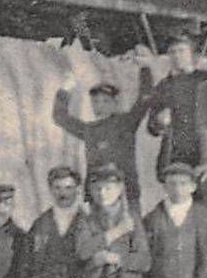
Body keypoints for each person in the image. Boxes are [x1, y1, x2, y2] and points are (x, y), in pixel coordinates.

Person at [53, 70, 156, 207]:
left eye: (105, 101)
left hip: (125, 197)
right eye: (95, 101)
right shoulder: (89, 130)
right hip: (96, 199)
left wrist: (145, 69)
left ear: (115, 102)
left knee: (133, 227)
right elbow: (60, 117)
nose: (100, 106)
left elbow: (145, 98)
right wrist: (65, 89)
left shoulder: (126, 122)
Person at [149, 33, 207, 175]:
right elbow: (152, 128)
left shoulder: (206, 80)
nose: (177, 56)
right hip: (176, 152)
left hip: (205, 150)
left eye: (182, 51)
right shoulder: (163, 86)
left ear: (192, 54)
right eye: (172, 52)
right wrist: (159, 121)